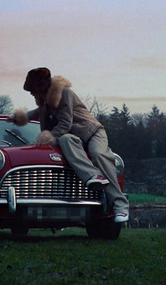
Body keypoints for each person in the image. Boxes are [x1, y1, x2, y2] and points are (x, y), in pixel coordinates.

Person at [9, 67, 129, 223]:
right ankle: (93, 175)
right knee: (65, 139)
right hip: (73, 137)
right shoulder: (46, 101)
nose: (32, 95)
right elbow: (38, 112)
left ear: (40, 88)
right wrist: (19, 118)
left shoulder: (64, 93)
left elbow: (65, 123)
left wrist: (48, 137)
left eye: (32, 91)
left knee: (98, 155)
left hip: (92, 132)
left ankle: (120, 205)